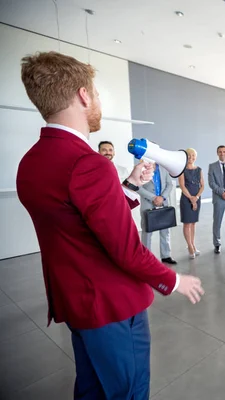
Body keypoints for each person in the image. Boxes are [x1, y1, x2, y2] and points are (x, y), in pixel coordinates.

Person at [16, 51, 204, 399]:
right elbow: (126, 250)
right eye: (97, 93)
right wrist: (174, 279)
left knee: (91, 388)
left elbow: (81, 221)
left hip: (76, 303)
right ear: (83, 95)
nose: (99, 100)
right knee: (128, 392)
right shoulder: (88, 164)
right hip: (112, 307)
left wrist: (130, 185)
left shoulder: (31, 162)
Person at [138, 163, 177, 264]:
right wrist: (153, 198)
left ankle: (166, 255)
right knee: (147, 232)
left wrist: (162, 197)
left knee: (165, 230)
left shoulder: (164, 168)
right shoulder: (140, 167)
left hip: (163, 202)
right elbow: (137, 187)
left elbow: (169, 184)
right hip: (148, 203)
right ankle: (145, 257)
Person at [178, 148, 204, 259]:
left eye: (193, 155)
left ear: (196, 157)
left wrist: (196, 197)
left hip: (197, 197)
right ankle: (189, 246)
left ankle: (193, 244)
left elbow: (202, 185)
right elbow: (182, 186)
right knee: (187, 223)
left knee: (193, 223)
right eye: (188, 155)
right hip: (186, 198)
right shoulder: (182, 170)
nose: (191, 157)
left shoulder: (199, 169)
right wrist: (191, 198)